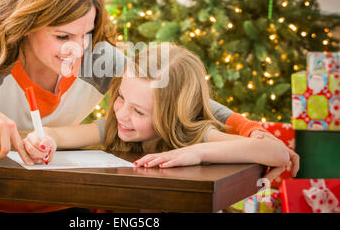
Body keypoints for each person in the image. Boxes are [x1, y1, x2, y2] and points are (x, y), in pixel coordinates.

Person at [0, 0, 296, 213]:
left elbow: (182, 100)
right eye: (62, 37)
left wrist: (252, 131)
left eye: (86, 34)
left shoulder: (96, 59)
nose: (78, 50)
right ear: (27, 24)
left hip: (72, 204)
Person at [28, 43, 295, 180]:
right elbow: (58, 135)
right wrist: (45, 138)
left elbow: (277, 152)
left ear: (173, 115)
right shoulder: (114, 126)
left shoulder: (194, 136)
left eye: (139, 112)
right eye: (121, 98)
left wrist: (195, 152)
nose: (122, 114)